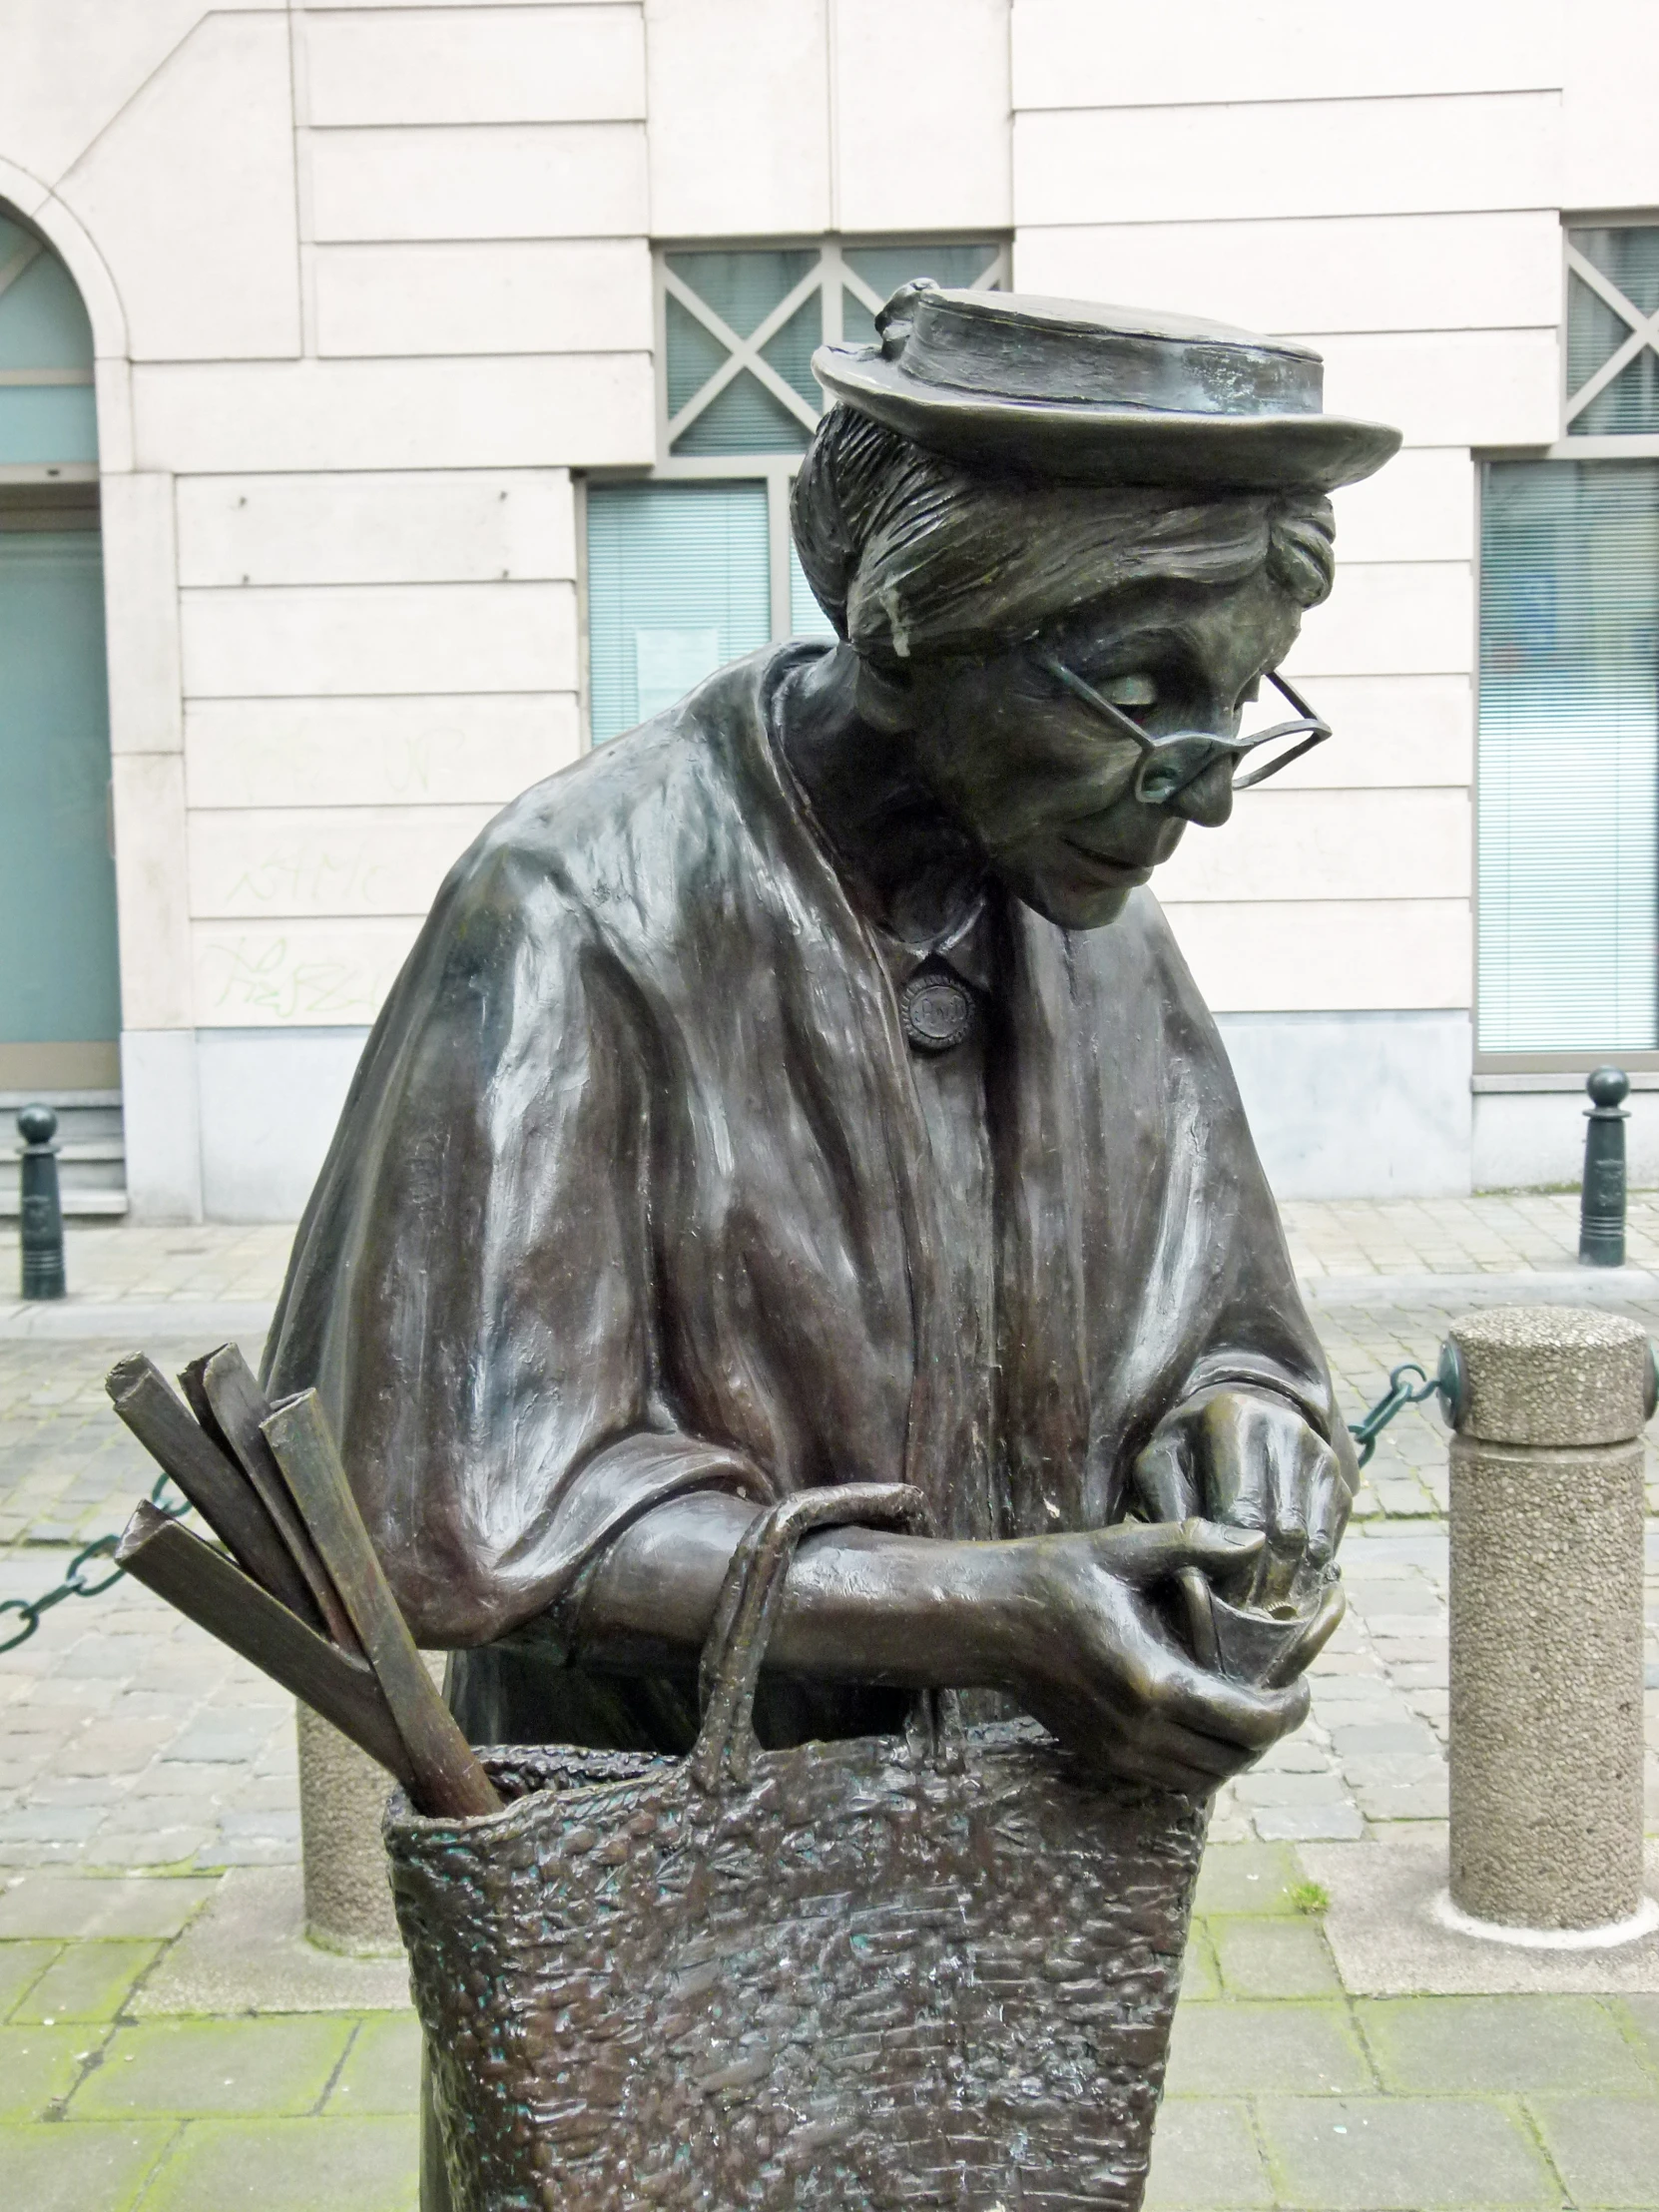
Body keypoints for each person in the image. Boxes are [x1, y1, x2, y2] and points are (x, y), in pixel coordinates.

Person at [265, 284, 1397, 1804]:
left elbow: (1230, 1331)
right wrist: (979, 1612)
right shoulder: (574, 904)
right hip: (664, 1861)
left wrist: (1244, 1431)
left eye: (1237, 707)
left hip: (1035, 1861)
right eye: (1139, 697)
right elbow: (443, 1515)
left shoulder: (1097, 925)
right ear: (915, 621)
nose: (1202, 794)